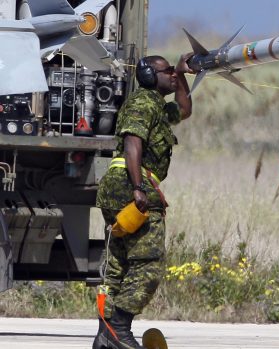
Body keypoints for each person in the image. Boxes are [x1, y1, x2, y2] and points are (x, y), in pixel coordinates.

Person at [92, 53, 194, 349]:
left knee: (119, 266)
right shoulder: (143, 102)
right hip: (131, 185)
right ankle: (118, 329)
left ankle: (105, 336)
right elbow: (132, 144)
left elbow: (185, 109)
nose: (172, 75)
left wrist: (182, 74)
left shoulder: (158, 107)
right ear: (149, 75)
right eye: (167, 72)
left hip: (121, 186)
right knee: (149, 264)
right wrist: (139, 189)